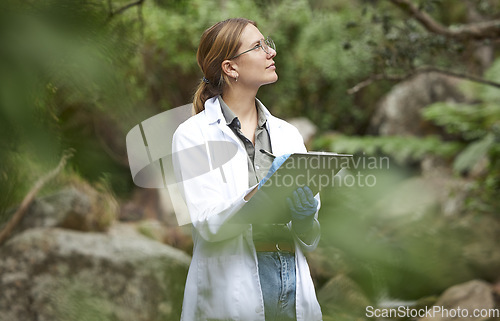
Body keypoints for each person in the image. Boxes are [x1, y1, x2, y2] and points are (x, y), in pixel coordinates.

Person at [172, 18, 322, 321]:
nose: (271, 53)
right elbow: (207, 223)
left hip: (290, 275)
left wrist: (306, 218)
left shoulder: (288, 134)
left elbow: (311, 234)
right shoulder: (193, 136)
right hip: (233, 285)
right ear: (230, 68)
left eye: (268, 44)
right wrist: (263, 194)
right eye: (258, 47)